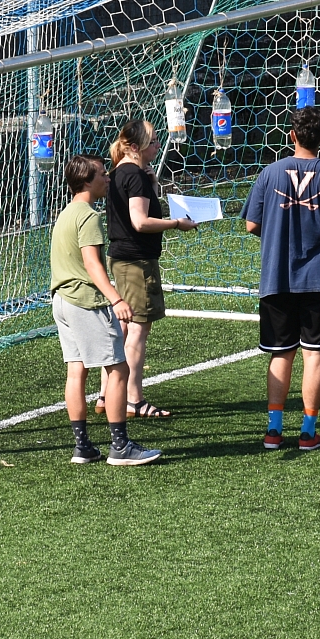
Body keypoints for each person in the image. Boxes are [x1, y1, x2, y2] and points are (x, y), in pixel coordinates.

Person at [242, 105, 320, 451]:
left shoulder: (269, 174)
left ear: (291, 135)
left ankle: (274, 430)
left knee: (281, 354)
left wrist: (279, 230)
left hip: (277, 277)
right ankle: (308, 432)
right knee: (315, 354)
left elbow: (251, 224)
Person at [49, 153, 161, 465]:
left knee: (76, 370)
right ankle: (120, 446)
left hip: (62, 300)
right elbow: (92, 264)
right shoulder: (88, 217)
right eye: (101, 174)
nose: (108, 178)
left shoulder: (66, 213)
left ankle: (83, 446)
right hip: (85, 302)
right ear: (86, 181)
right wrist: (116, 299)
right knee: (119, 369)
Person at [102, 118, 198, 419]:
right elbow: (140, 222)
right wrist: (177, 223)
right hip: (136, 262)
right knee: (137, 328)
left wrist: (153, 184)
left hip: (120, 258)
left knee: (122, 328)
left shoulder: (119, 172)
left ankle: (106, 395)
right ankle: (133, 399)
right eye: (153, 141)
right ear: (135, 146)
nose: (157, 145)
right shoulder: (134, 175)